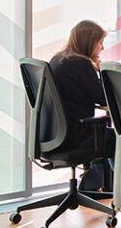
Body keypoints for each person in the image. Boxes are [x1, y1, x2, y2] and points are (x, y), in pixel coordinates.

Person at [49, 20, 114, 190]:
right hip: (76, 136)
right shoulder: (80, 64)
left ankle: (93, 183)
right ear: (89, 42)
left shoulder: (58, 59)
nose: (102, 48)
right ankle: (106, 188)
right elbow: (103, 98)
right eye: (100, 43)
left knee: (105, 133)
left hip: (56, 134)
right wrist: (103, 72)